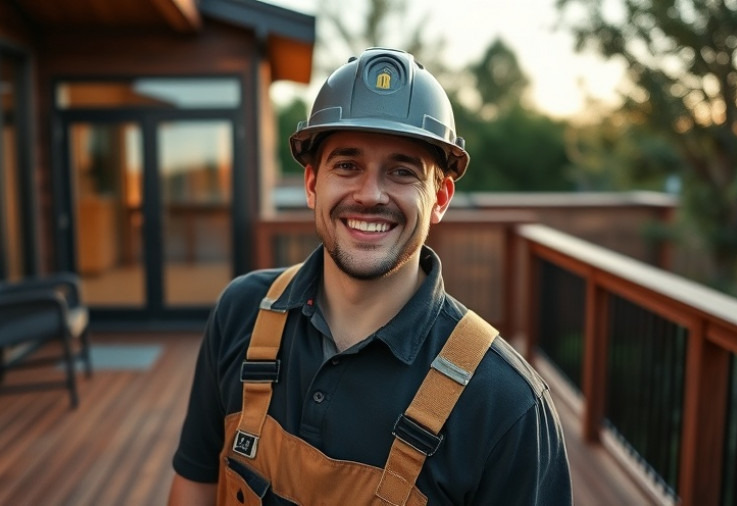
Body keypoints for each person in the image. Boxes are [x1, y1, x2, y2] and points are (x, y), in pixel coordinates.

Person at [168, 47, 572, 505]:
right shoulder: (241, 312)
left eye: (402, 171)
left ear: (440, 198)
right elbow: (195, 485)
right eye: (347, 165)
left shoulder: (506, 405)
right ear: (312, 184)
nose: (370, 194)